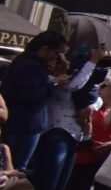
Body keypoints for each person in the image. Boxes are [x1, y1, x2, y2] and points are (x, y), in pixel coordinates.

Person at [28, 44, 106, 190]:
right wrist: (93, 61)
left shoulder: (77, 82)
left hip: (73, 135)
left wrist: (92, 106)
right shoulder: (58, 81)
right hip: (55, 134)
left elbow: (95, 95)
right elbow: (76, 85)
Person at [0, 31, 69, 172]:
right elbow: (30, 95)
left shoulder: (24, 62)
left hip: (18, 124)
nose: (57, 58)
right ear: (45, 49)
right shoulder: (32, 66)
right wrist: (54, 83)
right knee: (16, 169)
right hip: (24, 125)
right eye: (56, 53)